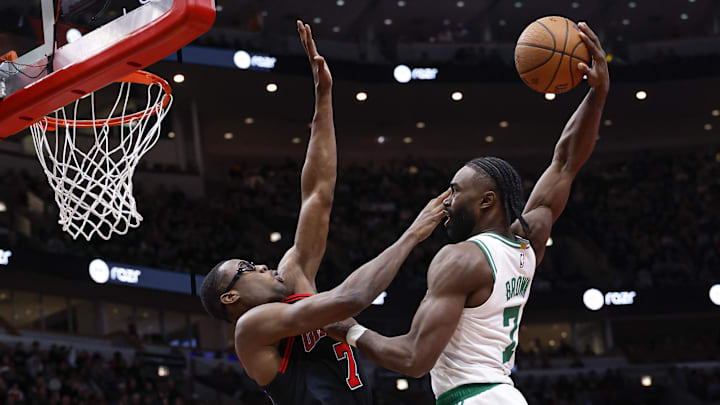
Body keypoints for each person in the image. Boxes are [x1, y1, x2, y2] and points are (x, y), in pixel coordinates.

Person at [325, 22, 610, 405]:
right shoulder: (528, 240)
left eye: (456, 191)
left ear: (487, 201)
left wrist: (350, 331)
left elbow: (413, 359)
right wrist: (597, 94)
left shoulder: (460, 259)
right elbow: (564, 163)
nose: (446, 199)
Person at [199, 21, 449, 405]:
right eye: (249, 267)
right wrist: (412, 234)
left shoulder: (294, 274)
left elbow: (318, 193)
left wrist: (324, 98)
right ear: (230, 297)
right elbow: (353, 297)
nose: (263, 266)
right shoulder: (250, 329)